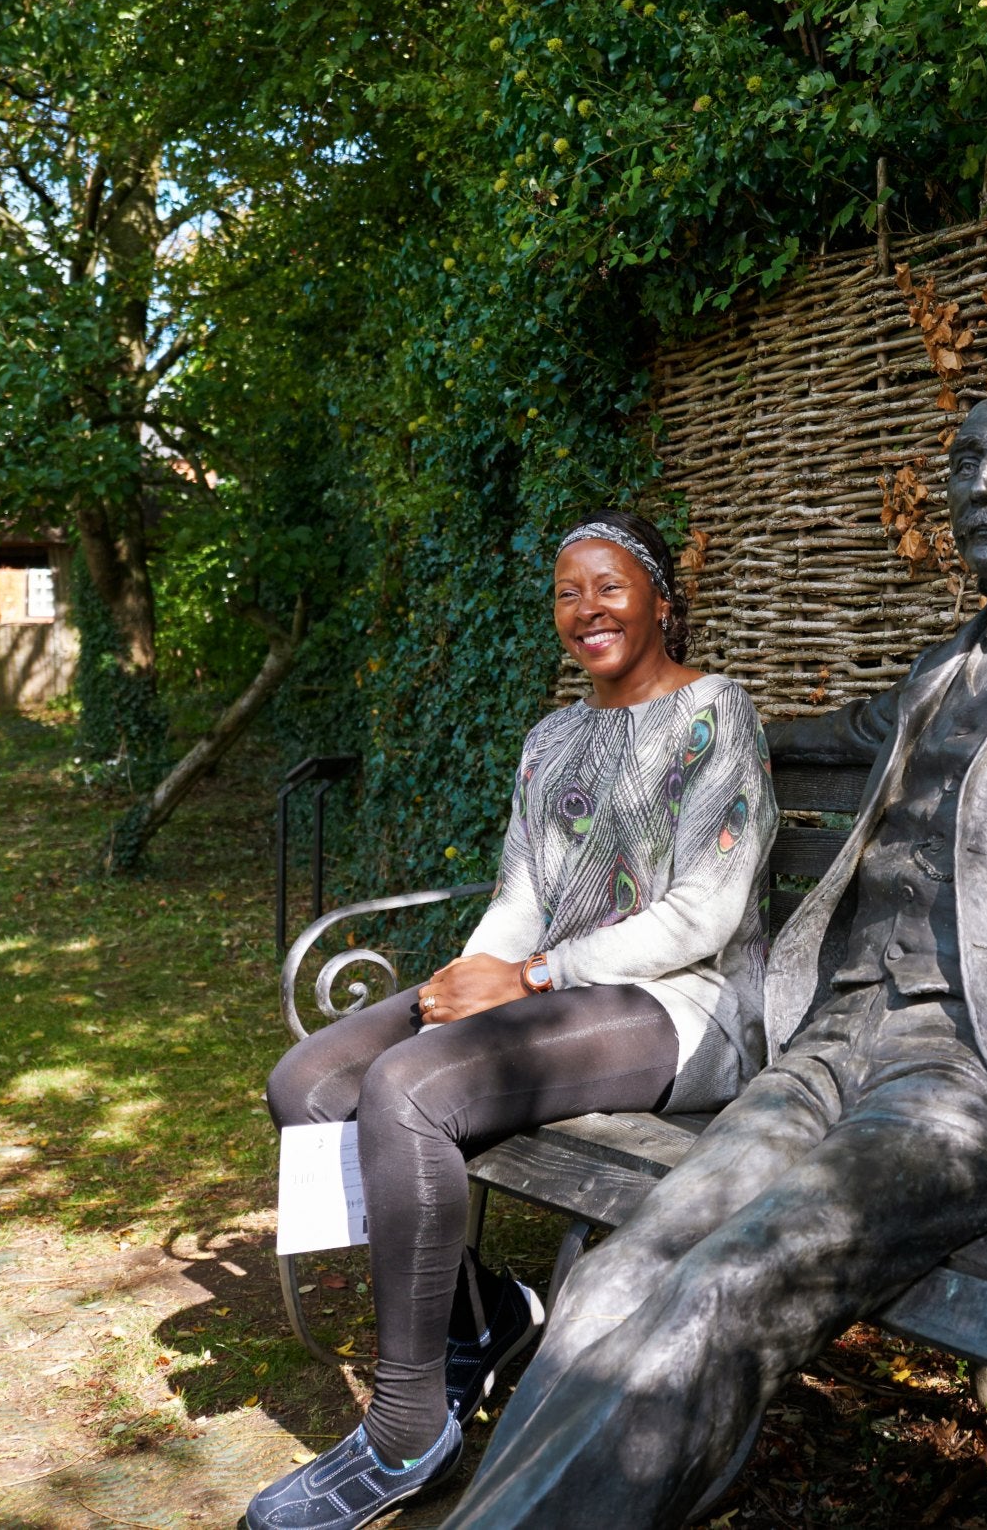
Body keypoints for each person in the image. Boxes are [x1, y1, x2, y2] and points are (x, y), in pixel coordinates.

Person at [439, 389, 987, 1529]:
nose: (984, 487)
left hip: (984, 1087)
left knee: (731, 1283)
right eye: (963, 464)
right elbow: (789, 734)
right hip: (832, 1041)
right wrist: (680, 730)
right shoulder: (931, 677)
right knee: (615, 1274)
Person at [244, 510, 777, 1530]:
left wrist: (528, 979)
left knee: (407, 1090)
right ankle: (485, 1322)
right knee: (309, 1084)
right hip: (552, 991)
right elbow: (523, 890)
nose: (587, 610)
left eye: (610, 586)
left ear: (662, 599)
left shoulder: (719, 714)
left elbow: (706, 911)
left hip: (683, 1007)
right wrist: (477, 970)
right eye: (568, 593)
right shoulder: (553, 738)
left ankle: (408, 1431)